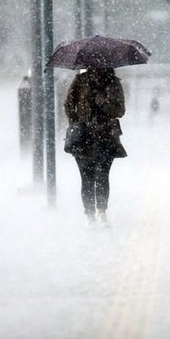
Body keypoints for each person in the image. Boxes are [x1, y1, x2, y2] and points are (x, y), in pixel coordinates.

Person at [64, 67, 126, 225]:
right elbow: (69, 104)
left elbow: (120, 110)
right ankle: (90, 215)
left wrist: (104, 103)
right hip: (83, 137)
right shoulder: (80, 81)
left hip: (106, 136)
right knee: (86, 177)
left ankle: (102, 211)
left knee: (103, 176)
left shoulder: (113, 83)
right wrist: (76, 122)